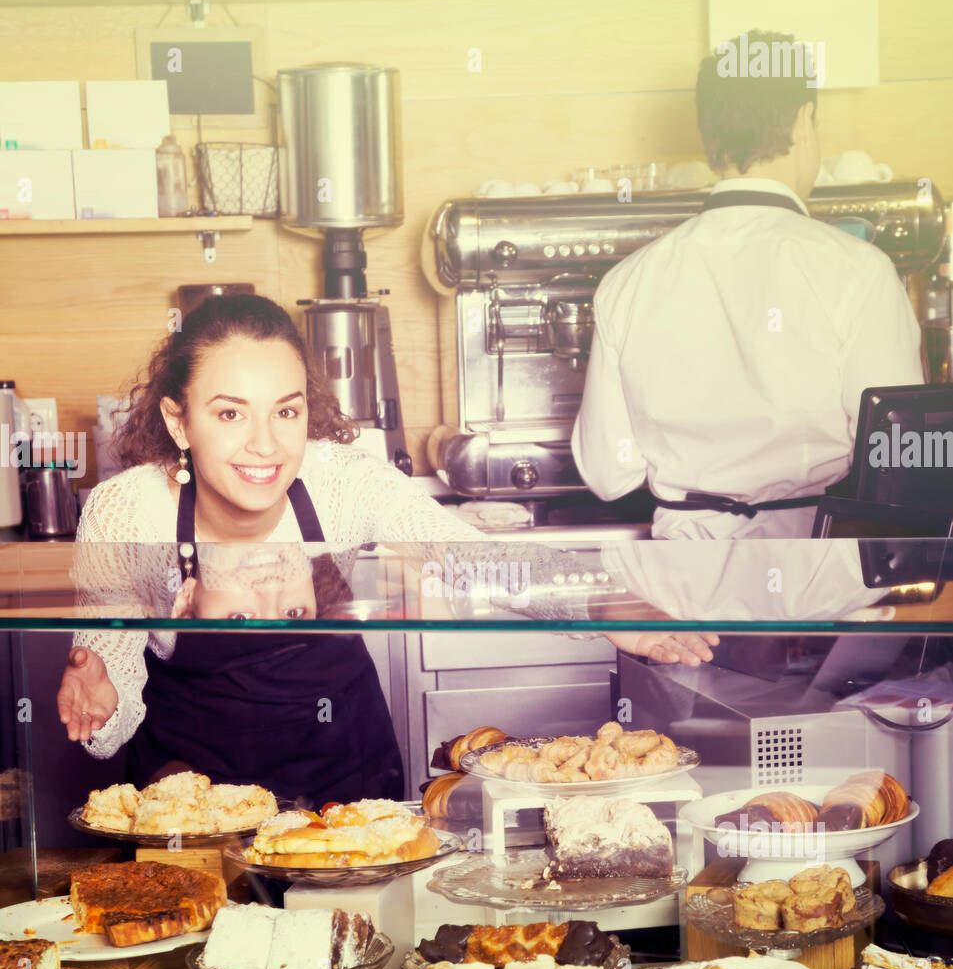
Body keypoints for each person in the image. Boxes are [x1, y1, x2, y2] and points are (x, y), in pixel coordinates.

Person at [57, 295, 714, 803]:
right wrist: (103, 699)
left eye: (285, 412)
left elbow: (472, 557)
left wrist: (601, 605)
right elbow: (111, 671)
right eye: (230, 414)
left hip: (342, 773)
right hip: (193, 799)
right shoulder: (128, 510)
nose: (265, 445)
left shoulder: (342, 480)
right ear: (180, 420)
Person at [571, 28, 924, 540]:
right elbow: (900, 461)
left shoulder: (627, 282)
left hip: (684, 589)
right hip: (815, 574)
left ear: (709, 138)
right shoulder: (859, 270)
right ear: (804, 122)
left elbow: (608, 474)